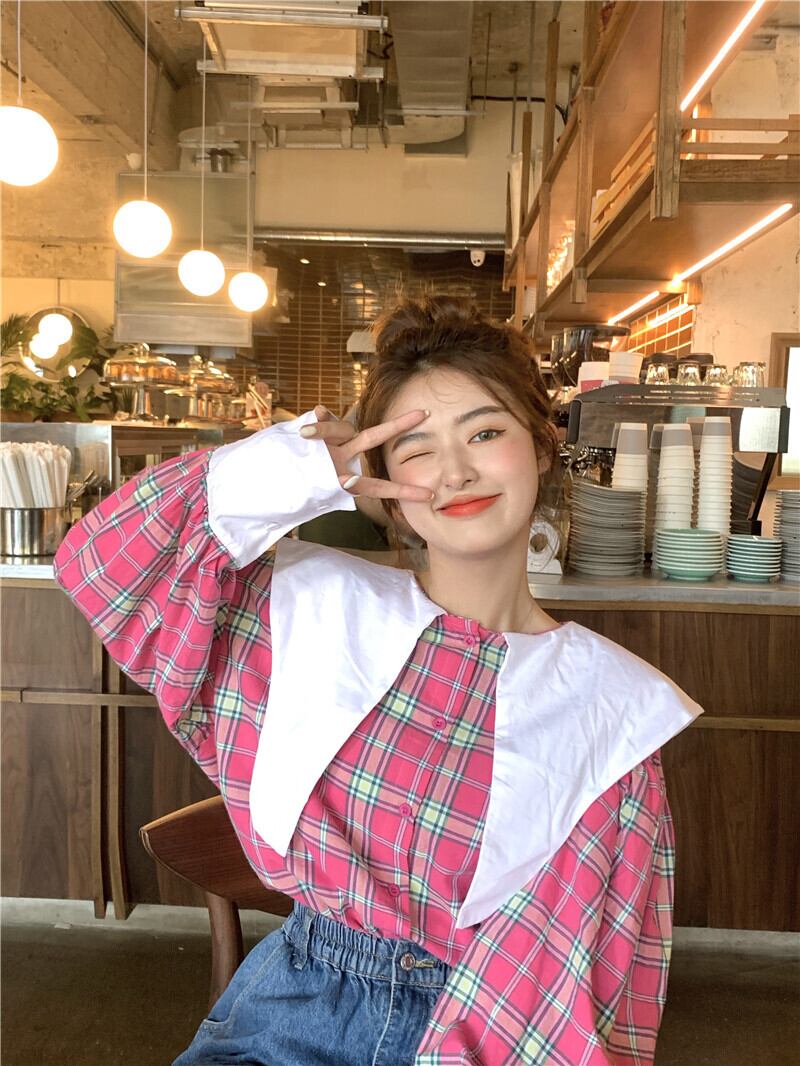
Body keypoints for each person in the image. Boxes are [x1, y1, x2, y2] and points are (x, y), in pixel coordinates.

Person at [53, 296, 703, 1066]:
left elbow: (583, 985)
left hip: (483, 1032)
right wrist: (293, 468)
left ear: (539, 445)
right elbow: (101, 566)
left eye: (485, 432)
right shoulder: (310, 609)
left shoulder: (612, 709)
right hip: (286, 1018)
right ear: (385, 476)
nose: (456, 470)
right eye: (416, 447)